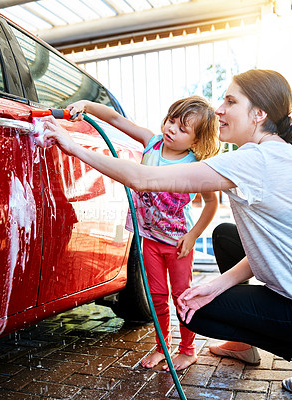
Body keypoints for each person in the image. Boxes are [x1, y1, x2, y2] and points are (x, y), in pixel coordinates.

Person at [42, 69, 292, 392]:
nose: (219, 109)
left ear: (259, 114)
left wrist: (71, 145)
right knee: (226, 237)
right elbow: (270, 248)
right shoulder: (277, 153)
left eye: (230, 101)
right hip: (163, 243)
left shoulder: (254, 159)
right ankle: (241, 342)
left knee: (189, 312)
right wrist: (218, 284)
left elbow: (142, 179)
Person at [56, 96, 221, 371]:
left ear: (195, 141)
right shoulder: (152, 142)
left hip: (178, 242)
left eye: (182, 129)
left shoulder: (195, 164)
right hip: (150, 238)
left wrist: (193, 235)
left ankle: (188, 349)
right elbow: (115, 119)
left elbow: (212, 203)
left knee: (182, 295)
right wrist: (86, 104)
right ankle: (162, 348)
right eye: (171, 120)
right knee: (156, 295)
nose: (171, 129)